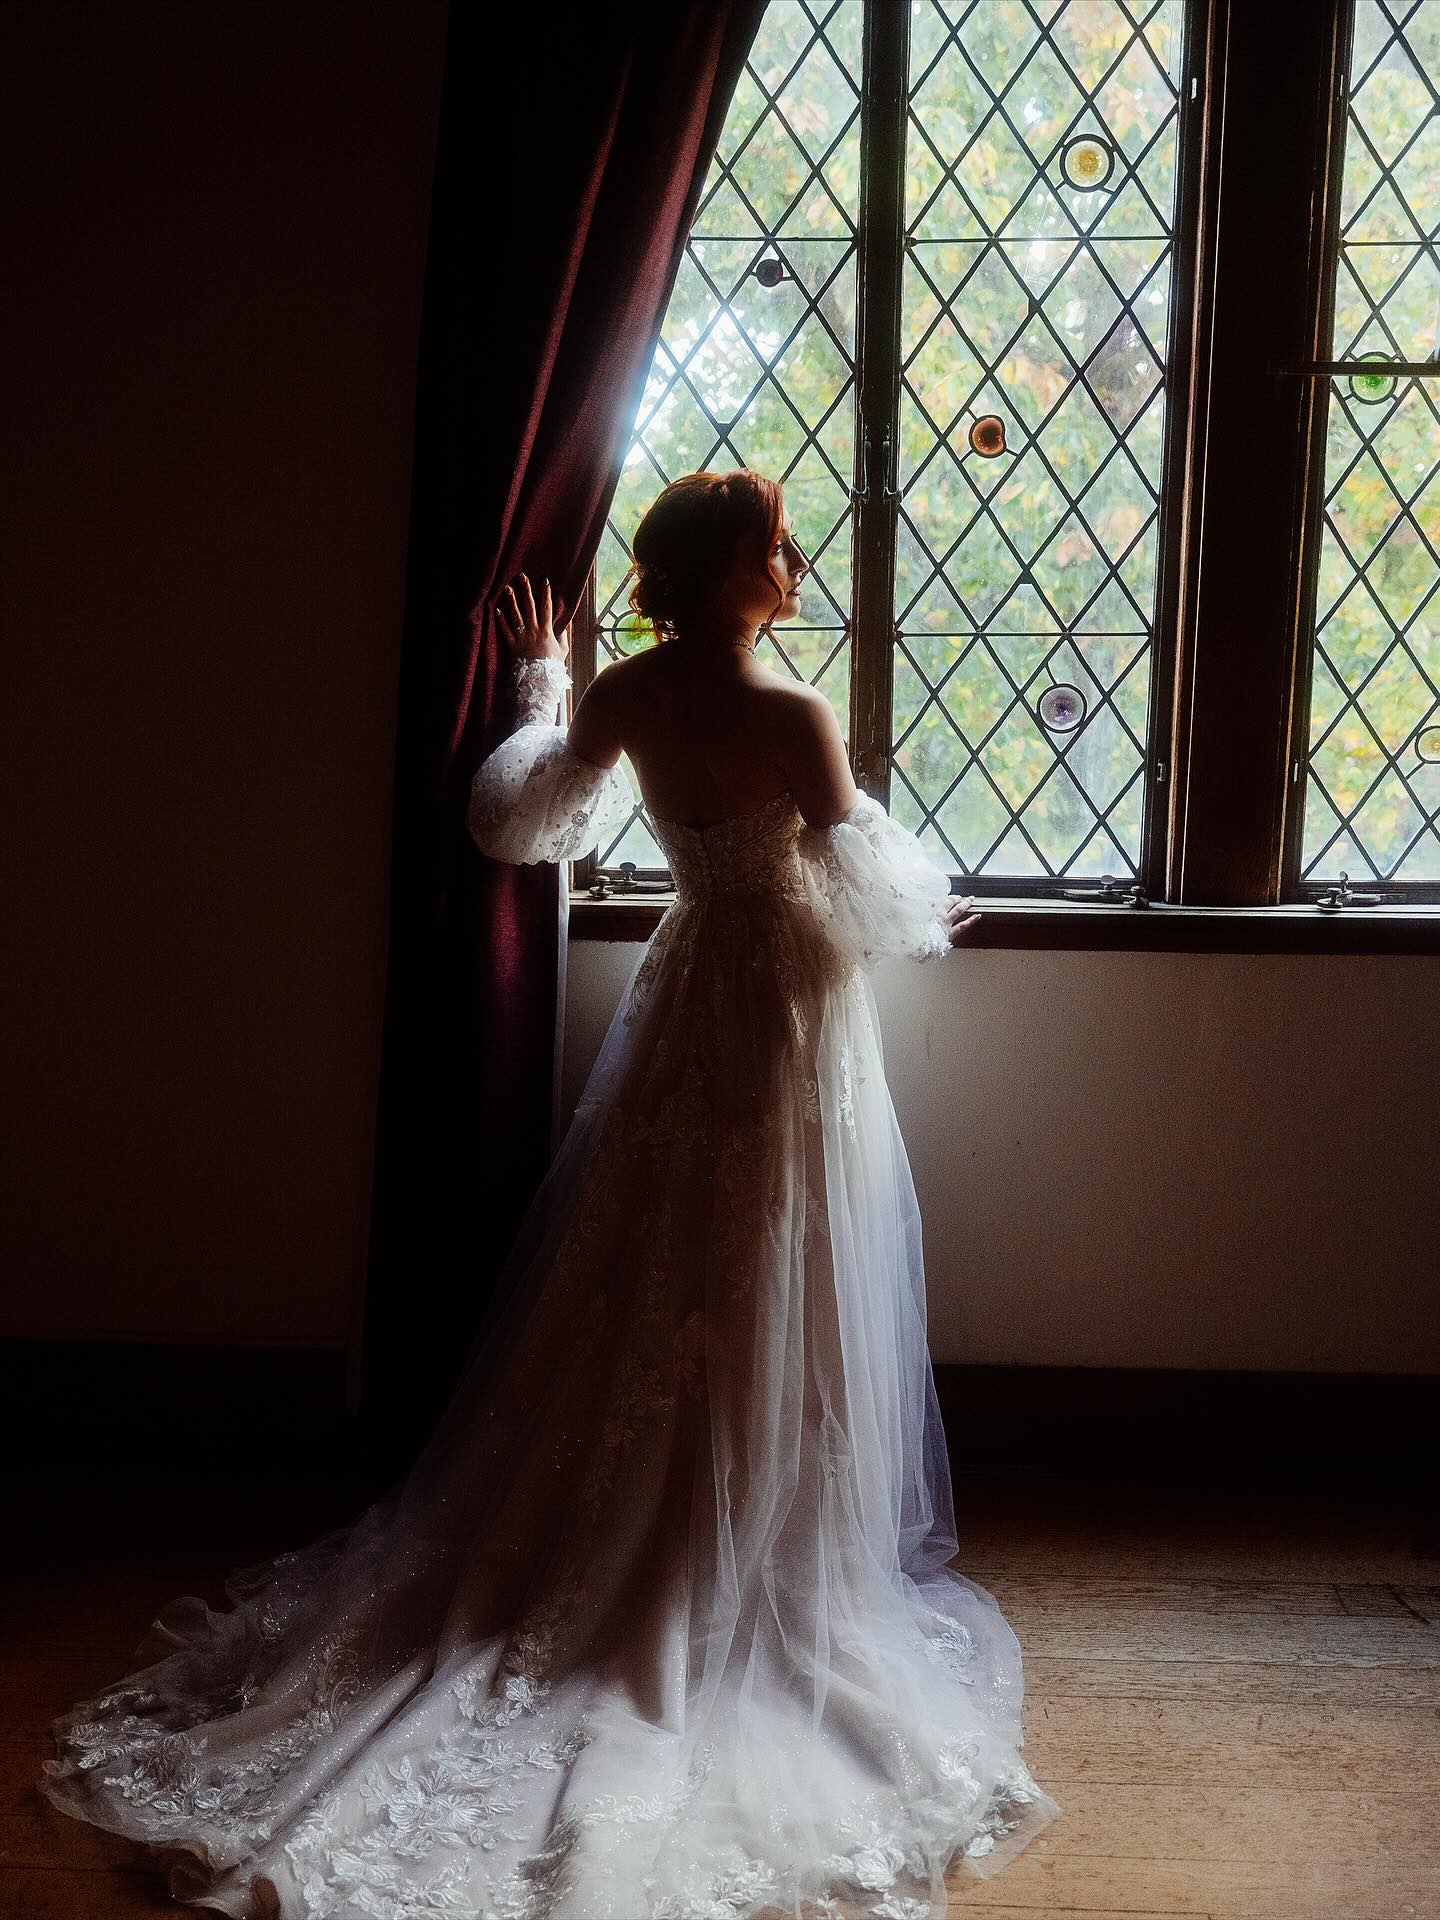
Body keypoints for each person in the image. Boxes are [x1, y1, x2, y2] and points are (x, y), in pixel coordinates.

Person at [37, 469, 1059, 1918]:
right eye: (775, 545)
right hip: (779, 1011)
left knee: (652, 1252)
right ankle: (730, 1538)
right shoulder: (796, 716)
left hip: (691, 980)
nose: (795, 558)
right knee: (768, 1251)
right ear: (725, 579)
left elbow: (525, 818)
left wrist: (541, 680)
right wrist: (925, 908)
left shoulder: (631, 699)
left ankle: (638, 1521)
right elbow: (871, 891)